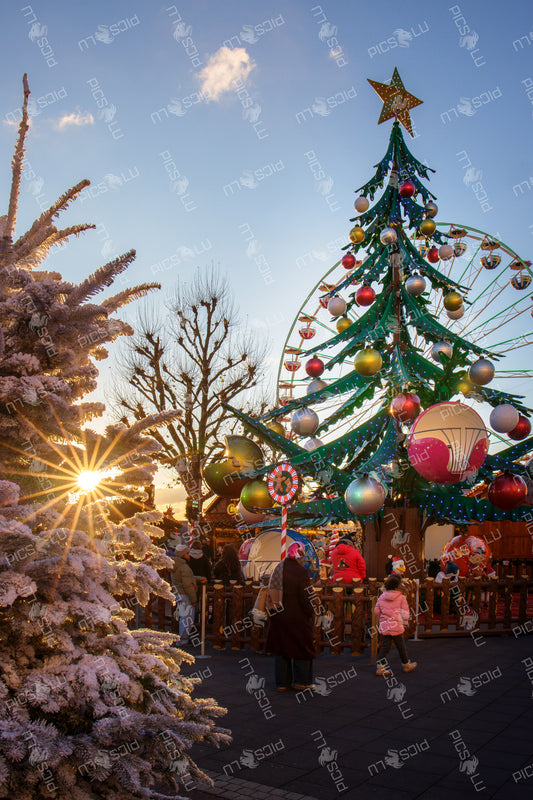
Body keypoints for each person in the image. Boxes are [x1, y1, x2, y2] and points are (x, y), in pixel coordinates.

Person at [265, 542, 317, 692]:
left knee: (282, 649)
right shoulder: (301, 572)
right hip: (297, 615)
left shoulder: (278, 569)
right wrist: (310, 612)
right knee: (303, 648)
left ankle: (282, 682)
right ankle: (302, 681)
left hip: (279, 613)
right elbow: (305, 596)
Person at [375, 575, 417, 675]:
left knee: (385, 647)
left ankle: (380, 667)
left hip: (385, 625)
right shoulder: (401, 597)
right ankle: (406, 664)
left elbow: (376, 611)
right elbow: (405, 612)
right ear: (398, 586)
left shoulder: (382, 596)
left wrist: (381, 620)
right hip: (396, 625)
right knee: (401, 647)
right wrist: (404, 622)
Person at [170, 544, 197, 645]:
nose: (189, 555)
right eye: (187, 553)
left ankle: (182, 638)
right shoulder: (184, 567)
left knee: (183, 616)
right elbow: (187, 585)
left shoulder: (175, 565)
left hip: (178, 593)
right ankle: (183, 639)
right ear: (183, 555)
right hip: (185, 594)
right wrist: (194, 599)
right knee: (187, 618)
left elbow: (184, 579)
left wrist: (197, 578)